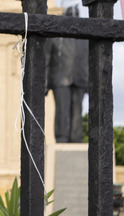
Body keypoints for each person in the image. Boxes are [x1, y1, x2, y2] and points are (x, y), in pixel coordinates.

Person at [45, 5, 88, 144]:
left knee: (77, 111)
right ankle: (62, 138)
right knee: (62, 111)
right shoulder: (55, 37)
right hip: (60, 78)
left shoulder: (86, 37)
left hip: (80, 78)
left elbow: (91, 61)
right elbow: (46, 60)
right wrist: (45, 83)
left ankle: (76, 138)